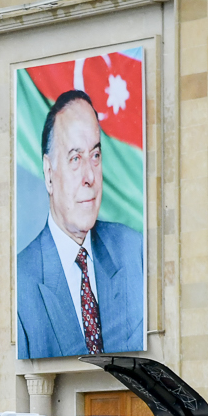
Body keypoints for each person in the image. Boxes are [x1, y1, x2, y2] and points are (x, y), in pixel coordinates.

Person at [16, 88, 146, 360]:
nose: (90, 176)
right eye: (75, 159)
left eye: (95, 156)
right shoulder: (19, 284)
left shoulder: (134, 251)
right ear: (49, 174)